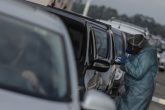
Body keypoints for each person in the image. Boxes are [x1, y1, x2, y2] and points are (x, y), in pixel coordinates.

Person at [117, 34, 158, 110]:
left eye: (131, 46)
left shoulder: (147, 56)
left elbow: (137, 73)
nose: (129, 48)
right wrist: (121, 63)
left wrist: (125, 62)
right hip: (132, 89)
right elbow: (129, 66)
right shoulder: (137, 53)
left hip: (140, 93)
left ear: (138, 46)